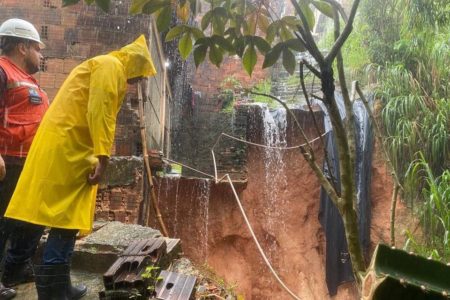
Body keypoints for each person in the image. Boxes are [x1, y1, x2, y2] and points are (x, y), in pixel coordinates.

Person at [4, 34, 156, 299]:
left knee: (38, 213)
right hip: (70, 149)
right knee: (66, 218)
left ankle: (18, 271)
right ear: (134, 64)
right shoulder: (112, 67)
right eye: (142, 74)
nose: (140, 81)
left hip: (57, 145)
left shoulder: (101, 65)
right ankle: (53, 290)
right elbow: (101, 110)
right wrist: (103, 155)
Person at [0, 18, 49, 300]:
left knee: (31, 219)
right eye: (37, 49)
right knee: (2, 222)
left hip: (29, 164)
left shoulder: (29, 80)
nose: (40, 55)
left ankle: (16, 269)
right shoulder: (2, 71)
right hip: (7, 164)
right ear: (22, 46)